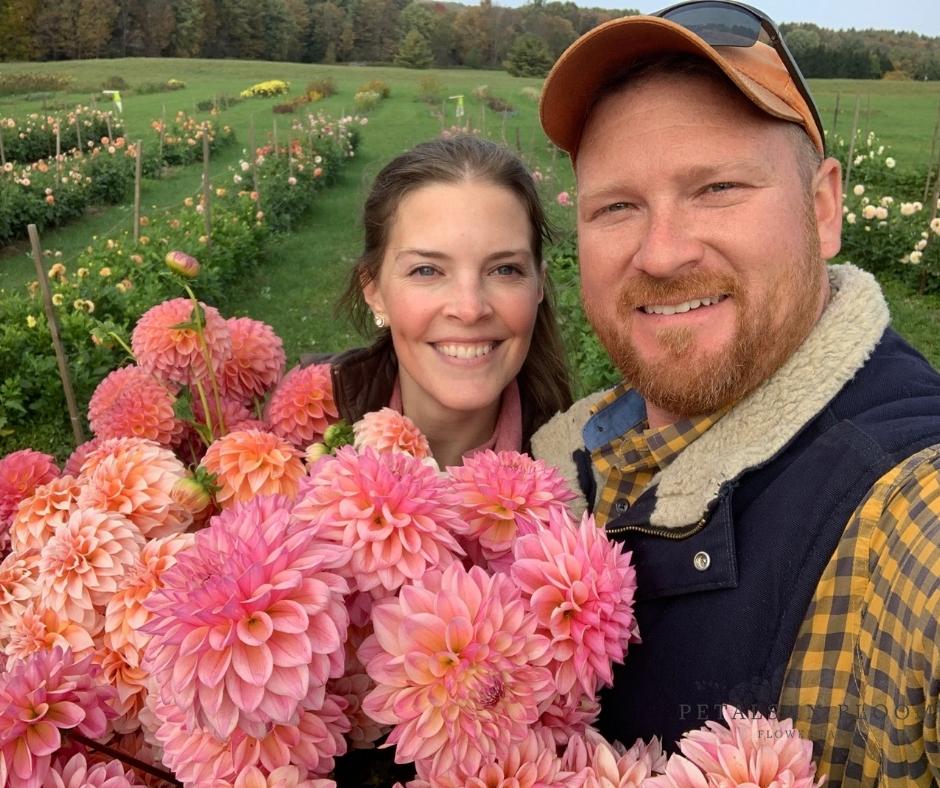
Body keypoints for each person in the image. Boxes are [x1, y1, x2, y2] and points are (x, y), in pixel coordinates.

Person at [531, 2, 940, 784]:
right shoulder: (566, 457)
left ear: (822, 209)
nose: (661, 252)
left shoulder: (903, 515)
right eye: (617, 206)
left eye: (716, 187)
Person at [307, 134, 572, 468]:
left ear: (538, 286)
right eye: (427, 270)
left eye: (504, 269)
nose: (469, 309)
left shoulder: (586, 481)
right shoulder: (295, 439)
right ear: (373, 291)